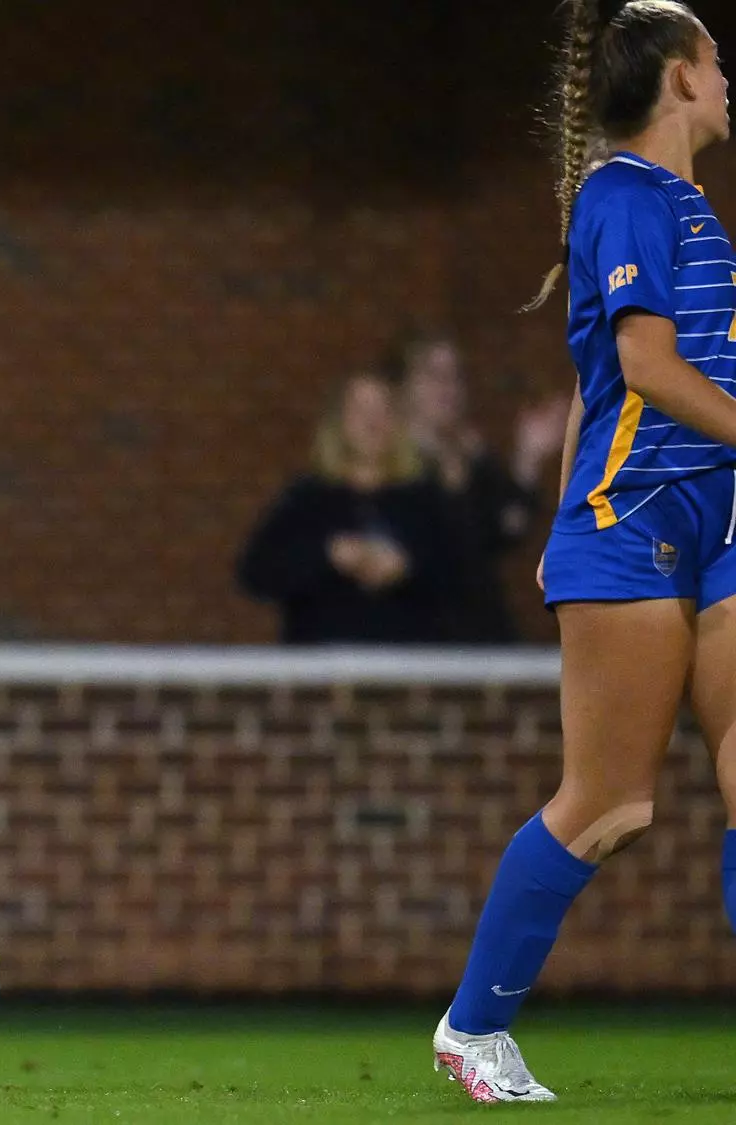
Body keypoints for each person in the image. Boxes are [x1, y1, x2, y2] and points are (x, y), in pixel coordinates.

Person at [434, 0, 735, 1103]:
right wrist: (575, 531)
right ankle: (472, 1029)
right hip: (636, 524)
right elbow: (644, 370)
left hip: (714, 518)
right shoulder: (622, 195)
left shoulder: (684, 205)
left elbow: (590, 384)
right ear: (674, 80)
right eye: (714, 61)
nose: (724, 79)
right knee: (608, 807)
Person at [237, 372, 456, 643]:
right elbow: (255, 573)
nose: (373, 422)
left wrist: (406, 568)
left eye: (383, 410)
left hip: (407, 670)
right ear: (338, 423)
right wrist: (328, 555)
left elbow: (461, 575)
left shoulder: (423, 498)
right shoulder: (308, 497)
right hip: (322, 669)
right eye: (360, 411)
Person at [395, 333, 570, 642]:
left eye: (455, 376)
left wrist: (527, 458)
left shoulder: (475, 461)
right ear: (406, 386)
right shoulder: (388, 466)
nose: (447, 389)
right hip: (413, 636)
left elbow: (505, 530)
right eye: (434, 375)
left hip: (478, 634)